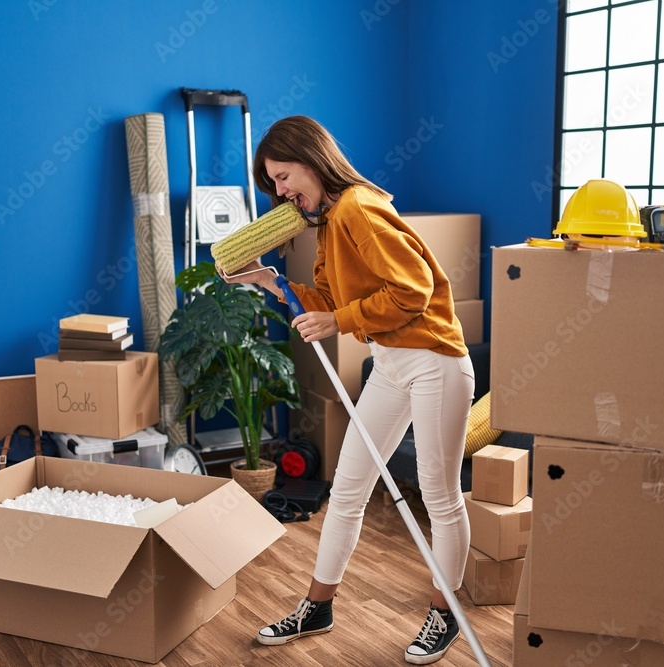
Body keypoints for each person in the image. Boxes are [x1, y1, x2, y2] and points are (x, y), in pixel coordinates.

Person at [219, 116, 475, 665]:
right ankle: (319, 606)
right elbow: (327, 302)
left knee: (439, 494)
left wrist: (339, 323)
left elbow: (413, 289)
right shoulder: (330, 223)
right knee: (349, 487)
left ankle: (444, 612)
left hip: (435, 362)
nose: (282, 193)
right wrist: (269, 280)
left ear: (313, 161)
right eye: (275, 184)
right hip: (390, 364)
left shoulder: (359, 206)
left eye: (285, 177)